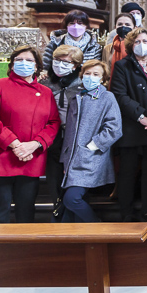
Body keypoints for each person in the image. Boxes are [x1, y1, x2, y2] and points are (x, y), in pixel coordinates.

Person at [0, 45, 61, 223]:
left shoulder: (46, 92)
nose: (24, 63)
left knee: (26, 210)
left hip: (30, 158)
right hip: (0, 156)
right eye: (19, 60)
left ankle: (24, 242)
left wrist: (35, 144)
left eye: (29, 60)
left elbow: (53, 123)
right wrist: (15, 144)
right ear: (12, 64)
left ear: (36, 66)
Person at [110, 27, 147, 222]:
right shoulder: (122, 66)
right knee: (128, 172)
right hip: (133, 127)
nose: (141, 45)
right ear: (130, 45)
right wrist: (141, 117)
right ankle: (126, 213)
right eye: (137, 41)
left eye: (145, 41)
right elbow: (120, 96)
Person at [59, 60, 122, 223]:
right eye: (87, 73)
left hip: (91, 158)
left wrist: (92, 146)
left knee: (72, 199)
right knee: (71, 209)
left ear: (102, 78)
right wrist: (66, 159)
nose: (90, 77)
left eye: (96, 74)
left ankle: (97, 226)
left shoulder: (107, 97)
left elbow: (114, 128)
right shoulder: (76, 97)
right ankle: (78, 234)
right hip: (72, 159)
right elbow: (70, 133)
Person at [40, 45, 84, 203]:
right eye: (57, 60)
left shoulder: (83, 83)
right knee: (54, 177)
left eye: (65, 62)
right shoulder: (45, 82)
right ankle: (57, 207)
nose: (59, 64)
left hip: (75, 137)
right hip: (53, 136)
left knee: (73, 183)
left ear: (75, 65)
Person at [103, 12, 136, 77]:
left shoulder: (137, 47)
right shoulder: (108, 49)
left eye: (127, 24)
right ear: (115, 27)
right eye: (120, 24)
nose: (123, 27)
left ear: (134, 28)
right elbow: (105, 71)